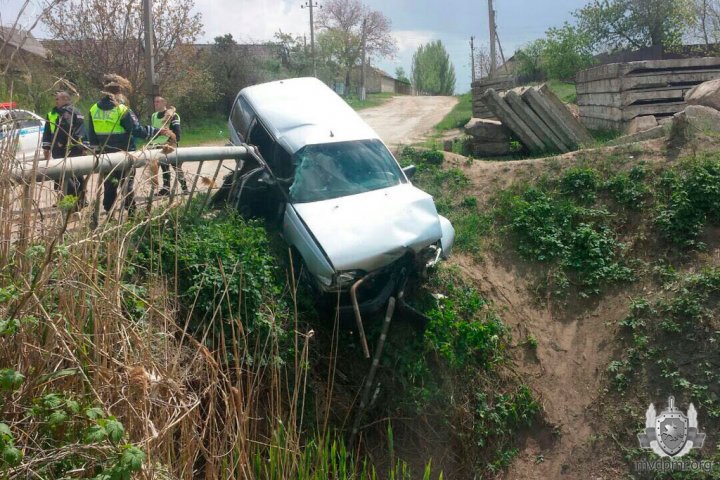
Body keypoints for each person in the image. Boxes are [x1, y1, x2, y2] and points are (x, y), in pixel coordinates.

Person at [86, 74, 172, 214]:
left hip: (105, 155)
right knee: (127, 184)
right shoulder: (122, 109)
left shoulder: (93, 109)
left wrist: (96, 152)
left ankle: (109, 212)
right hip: (125, 153)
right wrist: (157, 131)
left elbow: (92, 136)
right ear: (119, 92)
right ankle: (131, 212)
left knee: (109, 185)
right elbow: (137, 130)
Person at [42, 91, 86, 200]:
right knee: (61, 176)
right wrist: (46, 149)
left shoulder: (72, 113)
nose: (55, 101)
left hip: (69, 149)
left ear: (66, 99)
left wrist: (83, 147)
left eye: (58, 99)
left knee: (73, 176)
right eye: (55, 99)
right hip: (61, 150)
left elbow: (81, 131)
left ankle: (78, 199)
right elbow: (47, 133)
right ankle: (65, 199)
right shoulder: (52, 114)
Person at [147, 95, 186, 195]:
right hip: (156, 145)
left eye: (158, 102)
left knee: (176, 166)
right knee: (163, 167)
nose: (156, 104)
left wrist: (170, 143)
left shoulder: (173, 115)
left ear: (164, 103)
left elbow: (177, 133)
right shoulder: (154, 116)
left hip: (169, 144)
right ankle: (166, 189)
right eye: (155, 102)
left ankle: (185, 187)